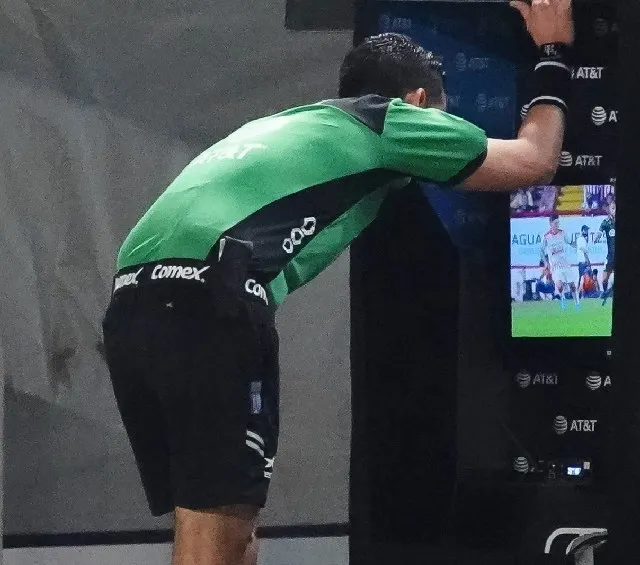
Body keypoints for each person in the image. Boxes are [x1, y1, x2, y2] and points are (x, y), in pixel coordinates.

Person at [101, 2, 574, 564]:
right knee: (220, 537)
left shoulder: (282, 124)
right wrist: (553, 51)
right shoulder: (388, 120)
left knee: (218, 527)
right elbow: (534, 162)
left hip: (131, 308)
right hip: (209, 304)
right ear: (420, 103)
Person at [541, 214, 579, 310]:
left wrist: (578, 246)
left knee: (572, 286)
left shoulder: (562, 233)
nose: (557, 225)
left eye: (558, 223)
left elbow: (570, 242)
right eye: (555, 223)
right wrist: (546, 262)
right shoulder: (546, 237)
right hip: (555, 266)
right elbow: (541, 251)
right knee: (559, 285)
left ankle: (577, 304)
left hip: (565, 264)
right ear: (551, 224)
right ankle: (563, 299)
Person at [599, 200, 616, 306]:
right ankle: (605, 293)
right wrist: (597, 236)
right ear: (609, 210)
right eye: (613, 208)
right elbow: (599, 231)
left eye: (616, 208)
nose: (615, 210)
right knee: (604, 280)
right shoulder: (606, 222)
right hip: (610, 256)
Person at [576, 224, 591, 305]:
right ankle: (581, 295)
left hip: (582, 262)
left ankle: (579, 294)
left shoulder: (583, 239)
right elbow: (583, 249)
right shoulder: (581, 239)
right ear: (582, 231)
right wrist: (587, 260)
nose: (587, 232)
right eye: (586, 230)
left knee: (581, 279)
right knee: (583, 278)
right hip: (583, 262)